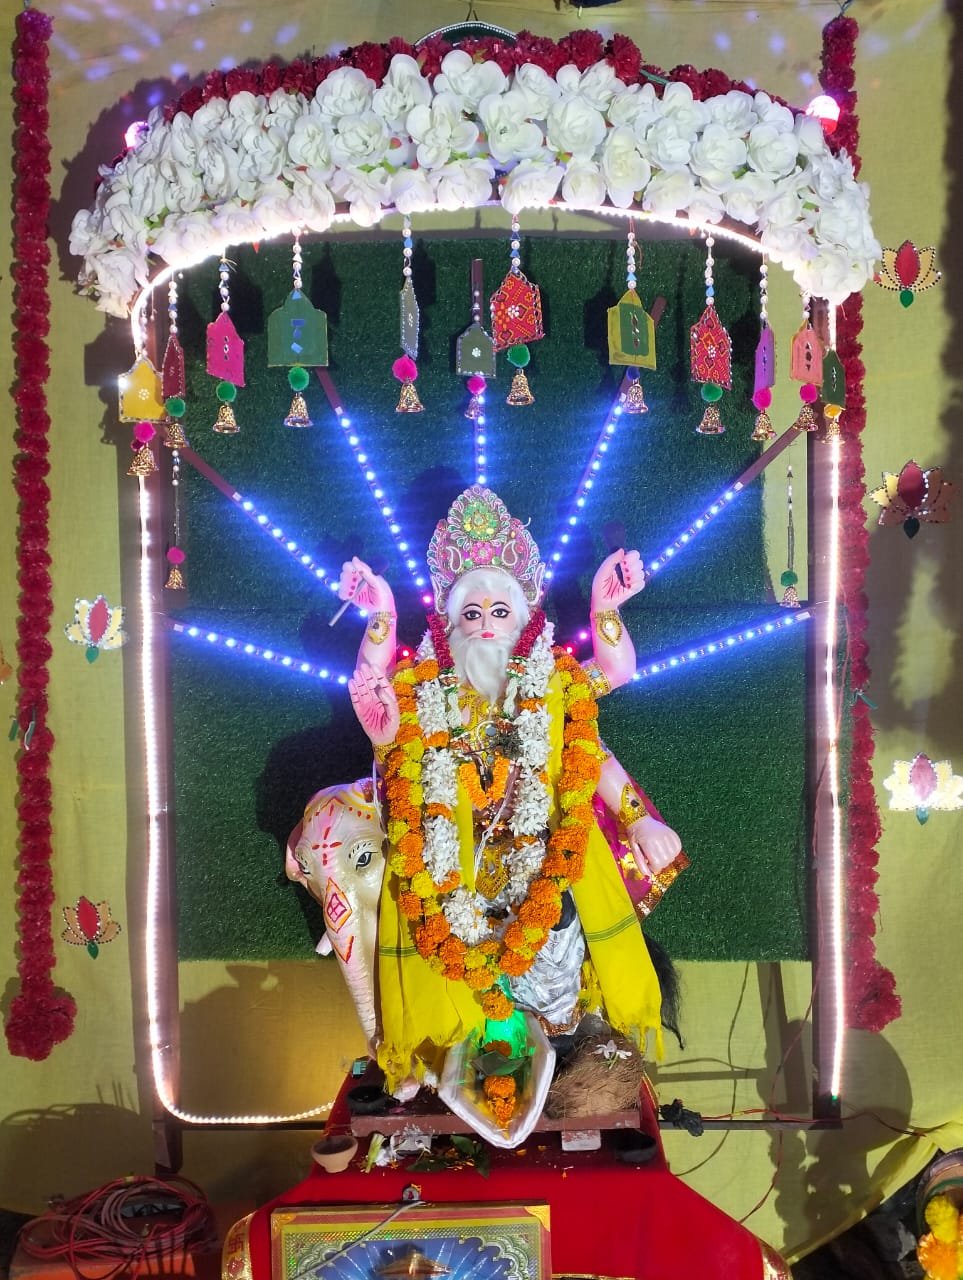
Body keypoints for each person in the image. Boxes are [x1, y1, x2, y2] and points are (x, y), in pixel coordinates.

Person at [340, 485, 682, 1098]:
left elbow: (609, 692)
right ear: (449, 625)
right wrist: (381, 616)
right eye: (471, 614)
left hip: (542, 864)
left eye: (500, 612)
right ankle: (460, 1064)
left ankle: (565, 1050)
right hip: (450, 869)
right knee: (454, 965)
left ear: (523, 622)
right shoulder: (425, 689)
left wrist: (637, 819)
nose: (485, 626)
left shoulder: (551, 683)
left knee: (557, 961)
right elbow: (372, 683)